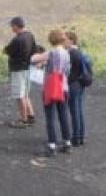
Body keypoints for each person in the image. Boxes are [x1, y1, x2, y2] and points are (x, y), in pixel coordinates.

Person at [31, 29, 72, 157]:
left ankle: (52, 145)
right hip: (63, 86)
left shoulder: (51, 52)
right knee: (63, 114)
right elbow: (66, 71)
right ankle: (67, 142)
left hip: (50, 87)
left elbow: (33, 59)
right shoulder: (66, 53)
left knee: (50, 116)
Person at [3, 16, 37, 127]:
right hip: (28, 68)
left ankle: (23, 119)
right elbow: (34, 49)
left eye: (12, 25)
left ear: (16, 26)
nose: (11, 27)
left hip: (18, 69)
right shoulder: (29, 35)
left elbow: (7, 50)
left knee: (19, 95)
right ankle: (30, 115)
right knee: (26, 93)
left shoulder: (17, 39)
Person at [64, 30, 86, 146]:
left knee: (74, 111)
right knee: (79, 110)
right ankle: (81, 136)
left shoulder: (71, 53)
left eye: (65, 39)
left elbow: (68, 71)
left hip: (73, 84)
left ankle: (76, 137)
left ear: (71, 40)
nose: (62, 42)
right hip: (81, 83)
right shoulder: (79, 51)